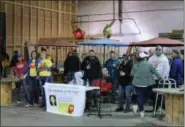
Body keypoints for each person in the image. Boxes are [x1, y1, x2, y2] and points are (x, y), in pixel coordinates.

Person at [131, 52, 162, 118]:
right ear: (145, 58)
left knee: (139, 97)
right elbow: (155, 72)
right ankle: (140, 108)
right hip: (147, 84)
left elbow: (132, 74)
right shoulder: (149, 64)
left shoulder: (135, 65)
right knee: (145, 97)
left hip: (137, 84)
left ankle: (139, 108)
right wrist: (161, 78)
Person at [148, 45, 170, 111]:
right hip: (153, 79)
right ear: (156, 50)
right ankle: (155, 107)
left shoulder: (164, 59)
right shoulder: (151, 58)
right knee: (153, 94)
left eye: (160, 49)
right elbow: (148, 67)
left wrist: (163, 78)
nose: (158, 51)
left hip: (161, 79)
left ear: (162, 50)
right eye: (157, 49)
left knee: (160, 94)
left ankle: (160, 107)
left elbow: (167, 69)